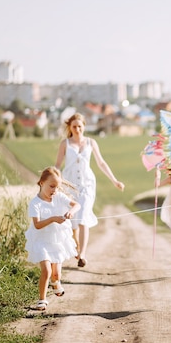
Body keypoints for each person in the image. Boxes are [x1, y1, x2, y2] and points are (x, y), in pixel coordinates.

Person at [55, 113, 125, 268]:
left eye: (80, 126)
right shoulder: (65, 144)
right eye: (74, 126)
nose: (77, 129)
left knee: (83, 217)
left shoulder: (91, 142)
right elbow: (57, 165)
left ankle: (83, 255)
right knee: (73, 221)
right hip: (70, 185)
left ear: (84, 126)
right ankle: (77, 248)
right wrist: (53, 182)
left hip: (87, 184)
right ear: (70, 128)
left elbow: (101, 163)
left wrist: (114, 180)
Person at [25, 166, 81, 311]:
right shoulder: (35, 203)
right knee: (47, 271)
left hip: (57, 240)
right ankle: (42, 300)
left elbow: (77, 205)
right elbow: (37, 225)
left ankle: (56, 283)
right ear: (41, 183)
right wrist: (53, 219)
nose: (54, 190)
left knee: (56, 274)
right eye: (51, 186)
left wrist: (71, 212)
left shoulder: (59, 197)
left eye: (57, 187)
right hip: (42, 240)